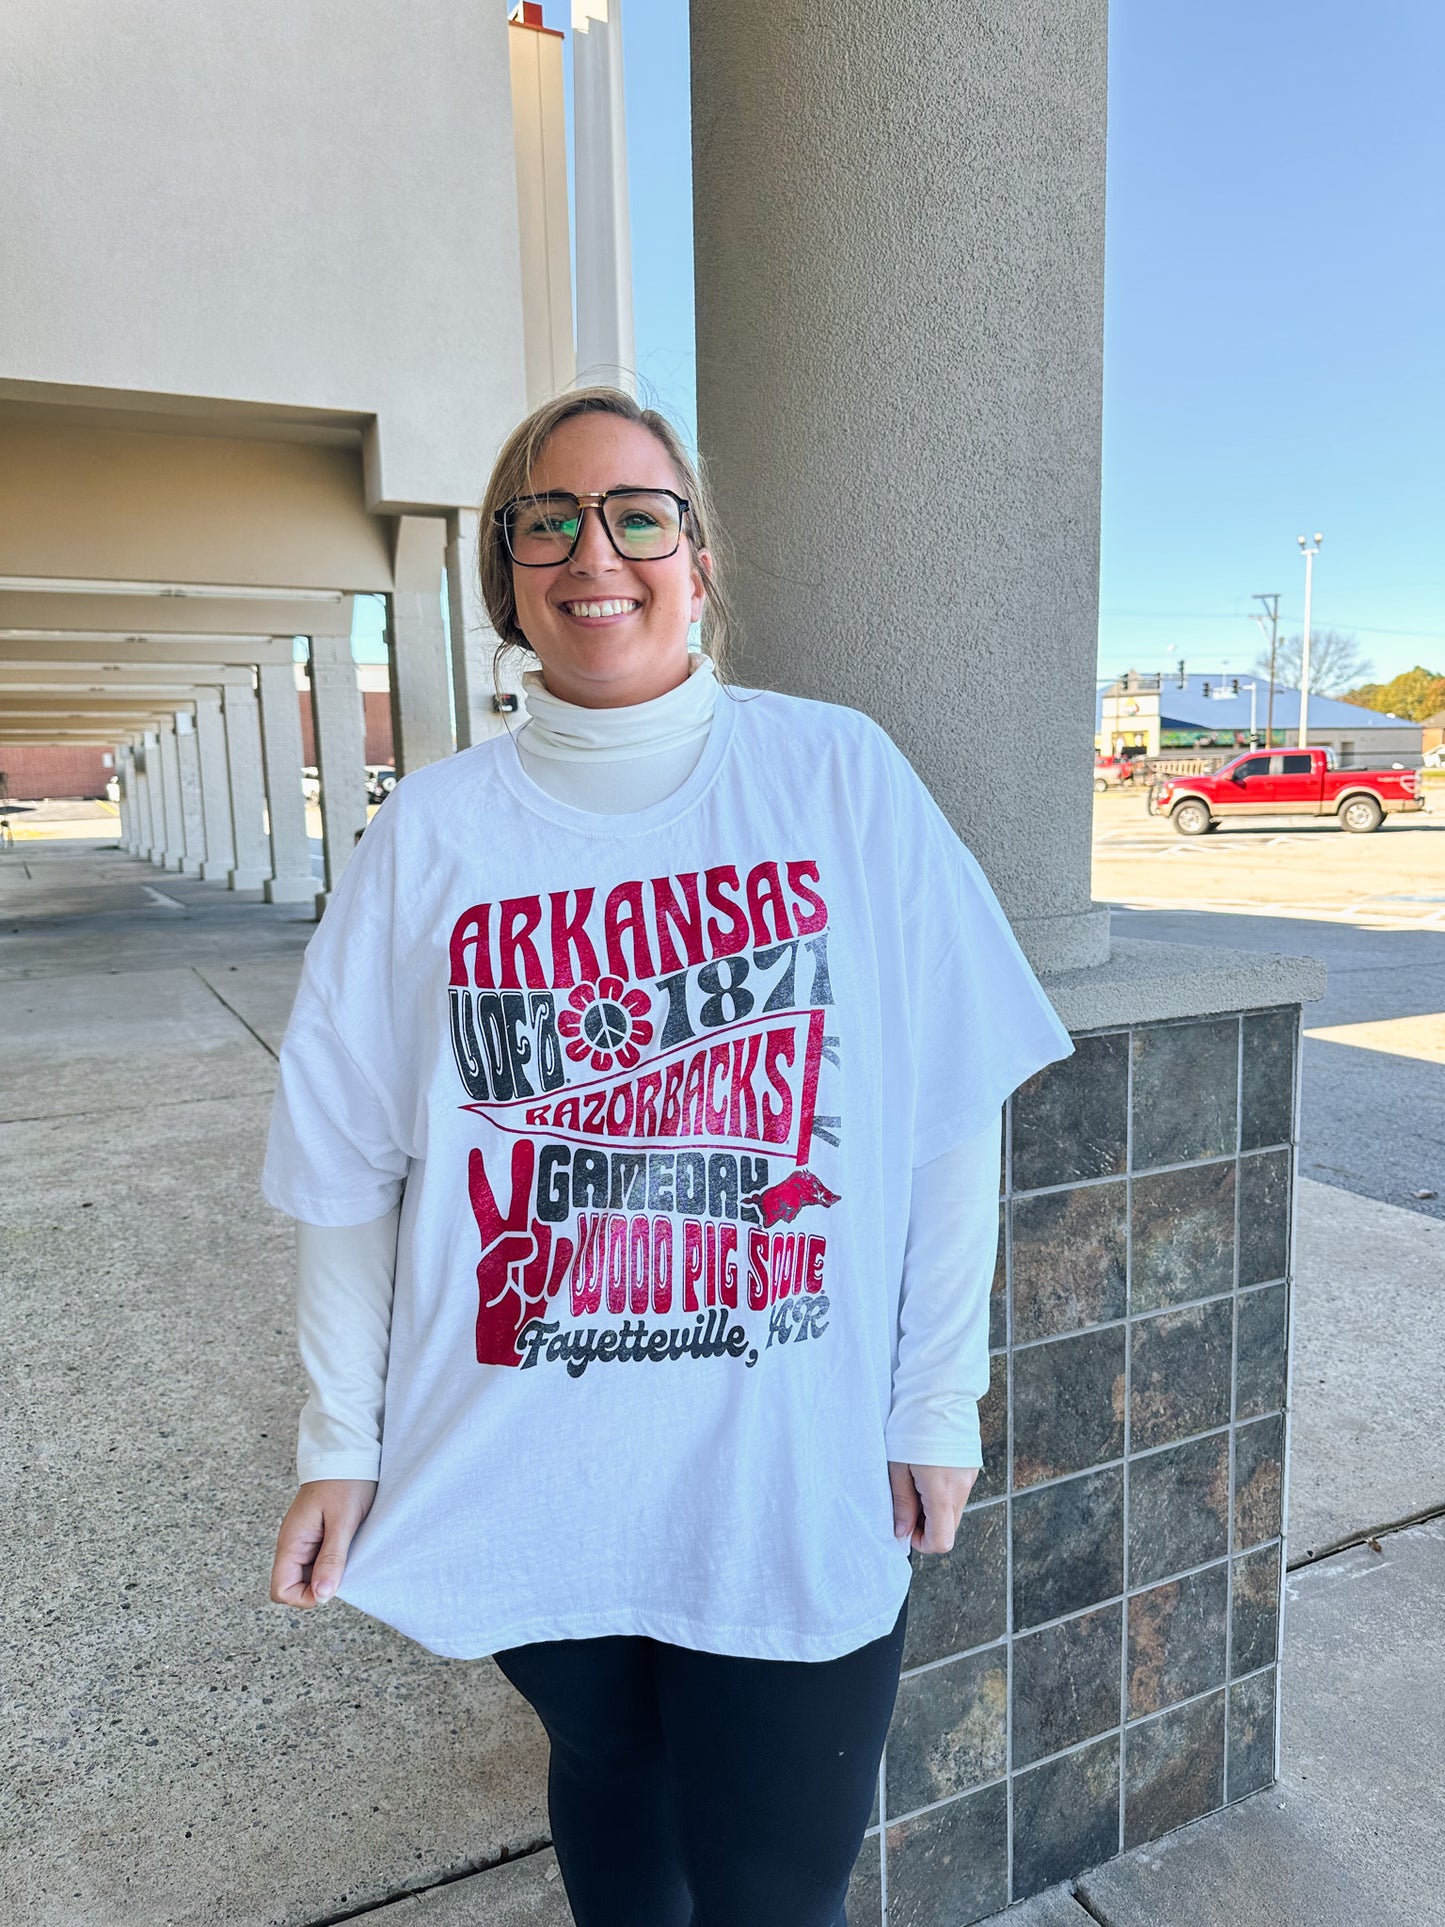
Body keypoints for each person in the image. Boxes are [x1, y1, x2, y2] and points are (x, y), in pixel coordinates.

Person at [265, 387, 1072, 1926]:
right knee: (617, 1815)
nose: (595, 552)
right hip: (520, 1464)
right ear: (503, 570)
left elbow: (944, 1110)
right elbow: (347, 1172)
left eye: (637, 512)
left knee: (776, 1894)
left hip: (780, 1466)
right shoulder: (426, 840)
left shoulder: (837, 778)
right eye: (546, 519)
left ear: (696, 557)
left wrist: (934, 1396)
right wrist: (338, 1443)